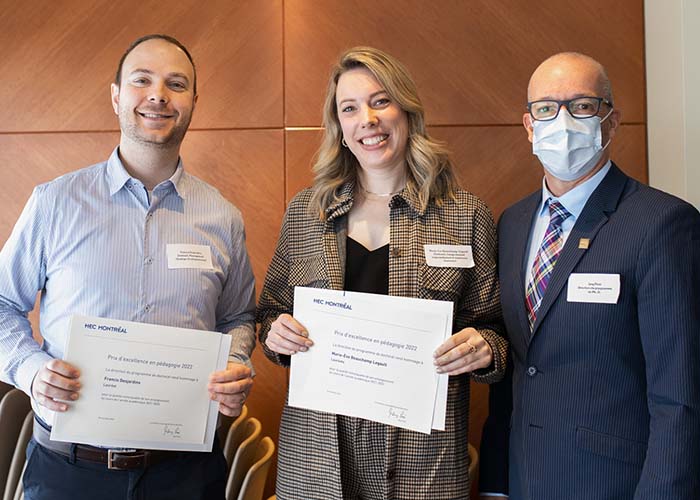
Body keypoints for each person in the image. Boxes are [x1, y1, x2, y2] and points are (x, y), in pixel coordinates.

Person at [0, 34, 256, 500]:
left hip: (186, 474)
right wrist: (32, 369)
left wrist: (235, 362)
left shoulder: (223, 217)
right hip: (67, 470)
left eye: (175, 84)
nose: (158, 94)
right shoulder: (55, 203)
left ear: (193, 103)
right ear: (117, 95)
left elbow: (237, 317)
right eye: (142, 80)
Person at [257, 46, 508, 500]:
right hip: (317, 464)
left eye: (380, 101)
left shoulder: (465, 216)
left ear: (407, 111)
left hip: (421, 467)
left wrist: (484, 349)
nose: (367, 120)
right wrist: (275, 335)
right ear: (340, 128)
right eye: (349, 108)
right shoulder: (305, 213)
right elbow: (270, 313)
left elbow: (496, 329)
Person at [479, 52, 700, 499]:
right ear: (529, 126)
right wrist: (496, 485)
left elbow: (681, 396)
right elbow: (519, 370)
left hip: (613, 485)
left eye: (581, 106)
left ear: (611, 122)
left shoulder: (663, 224)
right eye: (546, 108)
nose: (562, 121)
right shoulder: (512, 223)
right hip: (525, 479)